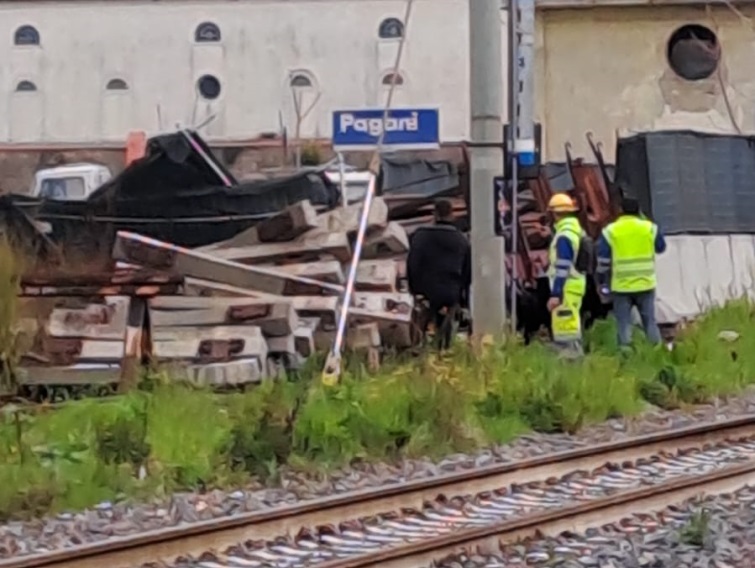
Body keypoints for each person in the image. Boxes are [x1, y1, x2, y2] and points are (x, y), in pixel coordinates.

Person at [597, 196, 666, 348]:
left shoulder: (610, 231)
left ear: (620, 210)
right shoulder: (649, 228)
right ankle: (656, 353)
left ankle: (627, 356)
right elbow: (661, 248)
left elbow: (603, 260)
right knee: (650, 322)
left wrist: (602, 280)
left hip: (621, 286)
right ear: (638, 210)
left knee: (623, 324)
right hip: (645, 284)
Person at [407, 198, 471, 350]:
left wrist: (414, 289)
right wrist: (462, 294)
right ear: (452, 214)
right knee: (446, 325)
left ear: (435, 214)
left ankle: (420, 346)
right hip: (451, 291)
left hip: (426, 291)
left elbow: (412, 264)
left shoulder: (420, 236)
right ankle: (444, 347)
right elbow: (467, 270)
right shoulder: (461, 240)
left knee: (422, 323)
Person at [546, 193, 587, 355]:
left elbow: (562, 266)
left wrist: (556, 293)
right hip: (575, 284)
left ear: (555, 214)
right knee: (571, 325)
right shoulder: (575, 230)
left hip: (566, 288)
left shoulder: (564, 235)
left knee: (566, 327)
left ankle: (571, 361)